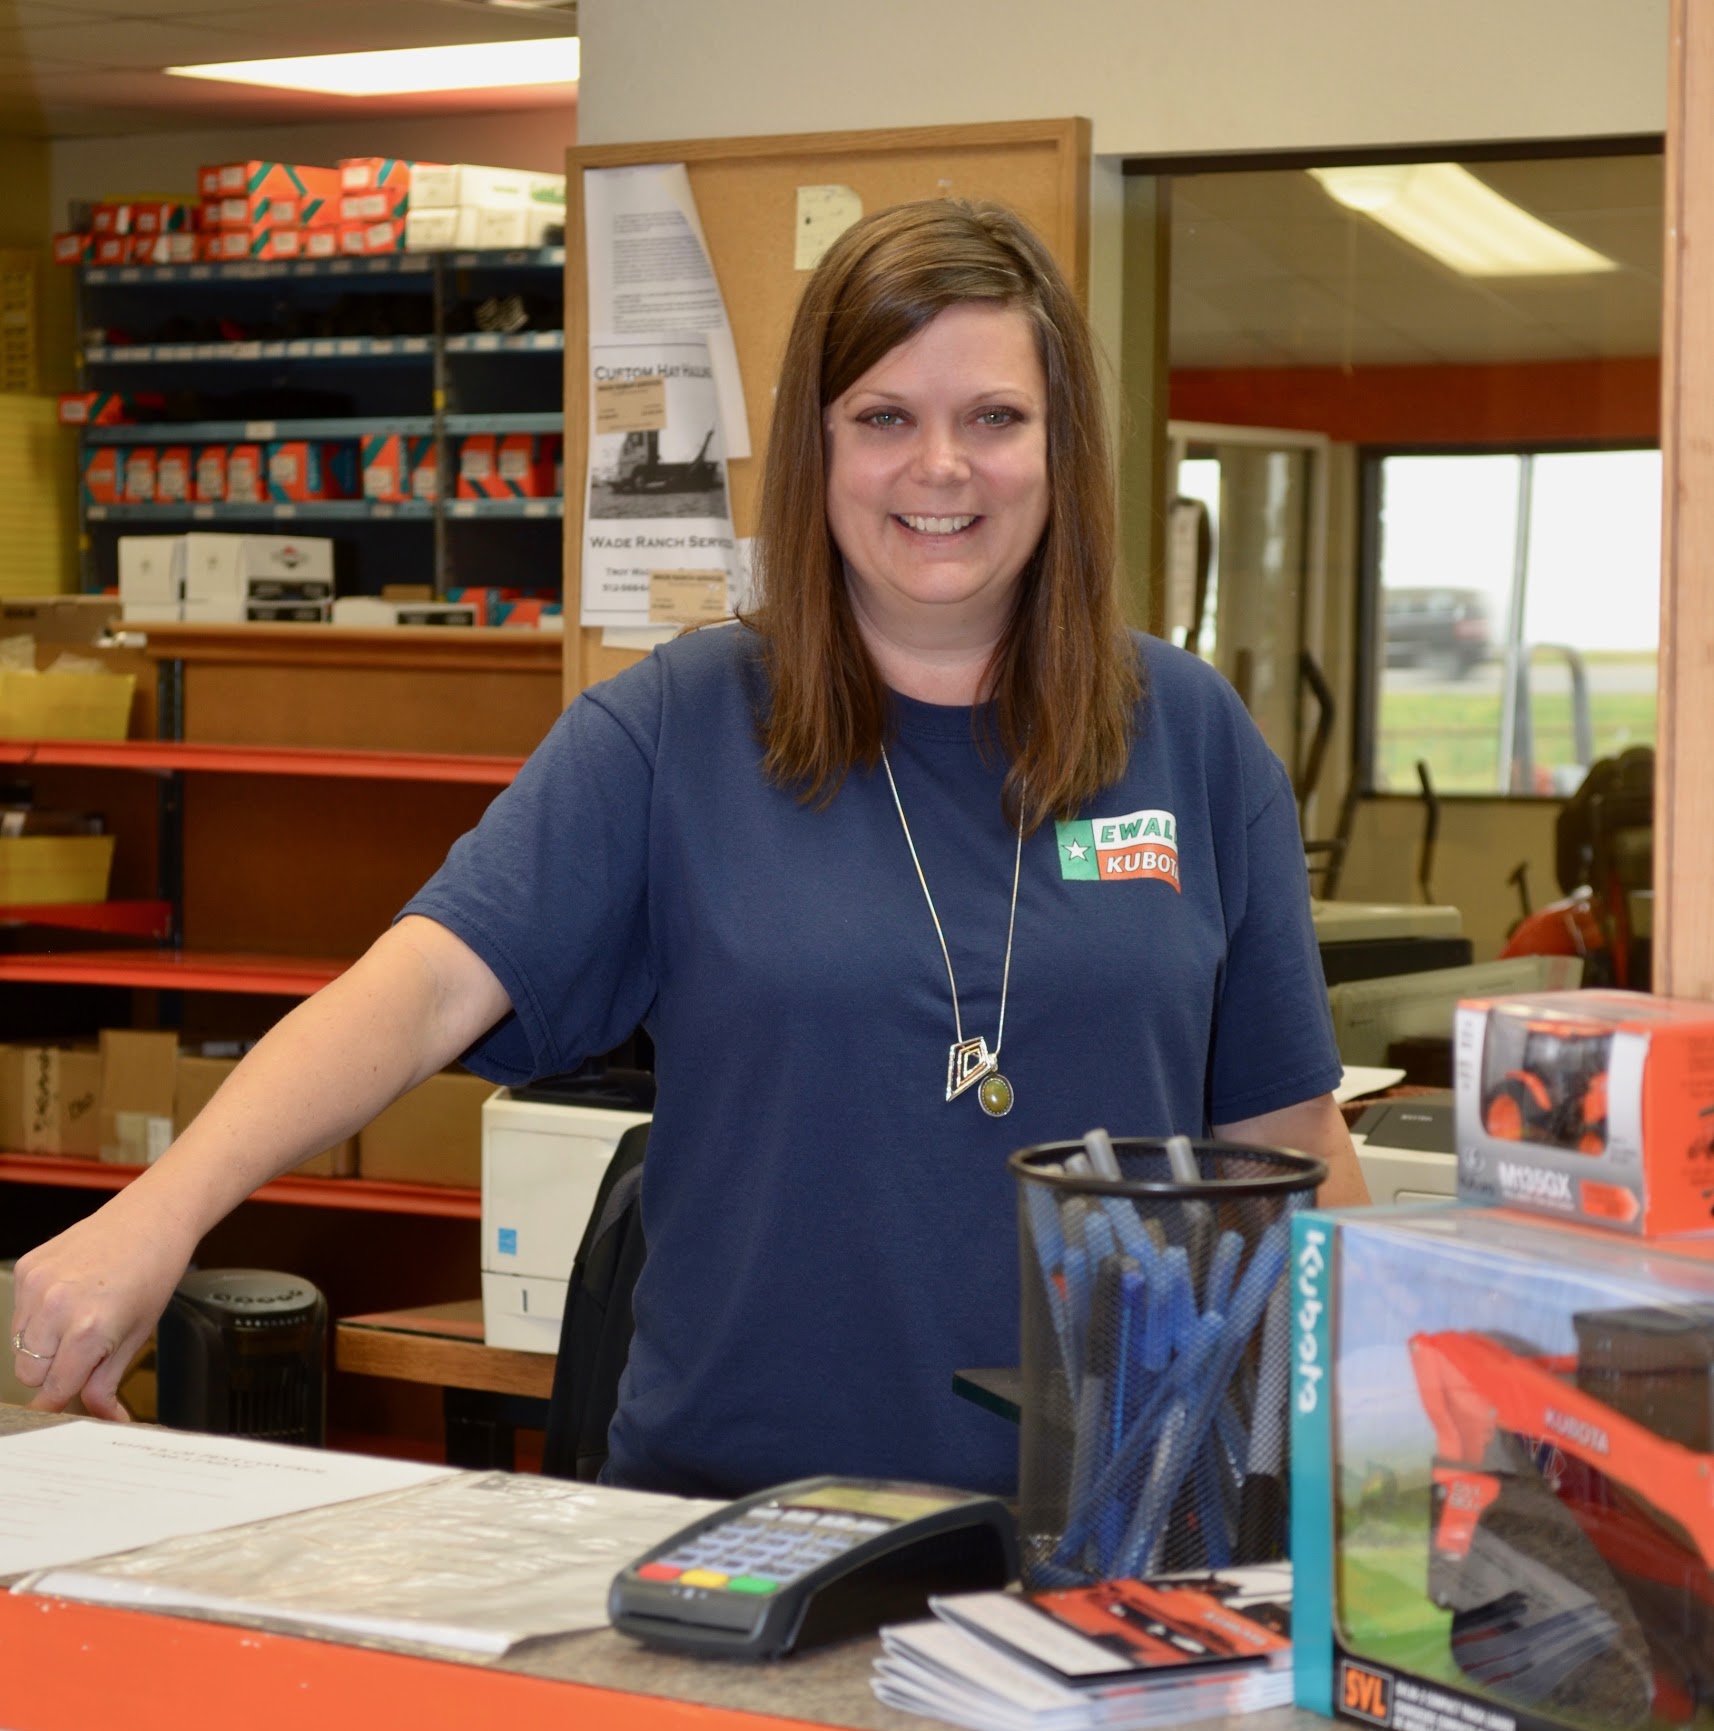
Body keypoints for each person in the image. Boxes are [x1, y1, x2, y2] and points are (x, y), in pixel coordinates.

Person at [11, 199, 1364, 1497]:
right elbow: (417, 989)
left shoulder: (1188, 736)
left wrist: (1380, 1449)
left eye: (994, 418)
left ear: (1061, 446)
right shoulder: (678, 728)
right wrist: (160, 1211)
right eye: (884, 417)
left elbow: (1285, 1143)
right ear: (816, 449)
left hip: (1119, 1530)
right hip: (742, 1530)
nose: (941, 467)